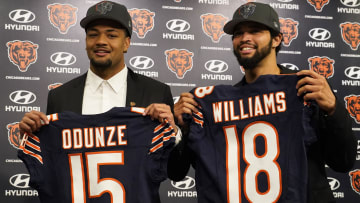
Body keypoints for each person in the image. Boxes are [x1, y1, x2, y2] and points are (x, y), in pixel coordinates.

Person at [168, 2, 356, 203]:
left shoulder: (306, 89)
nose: (244, 38)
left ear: (276, 39)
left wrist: (333, 109)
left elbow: (343, 162)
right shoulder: (212, 104)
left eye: (255, 31)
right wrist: (182, 129)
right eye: (238, 34)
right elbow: (181, 172)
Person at [18, 1, 179, 202]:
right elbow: (55, 167)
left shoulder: (156, 92)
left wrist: (174, 132)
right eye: (93, 34)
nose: (101, 41)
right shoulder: (60, 96)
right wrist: (32, 133)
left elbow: (175, 172)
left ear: (126, 43)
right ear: (86, 41)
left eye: (111, 35)